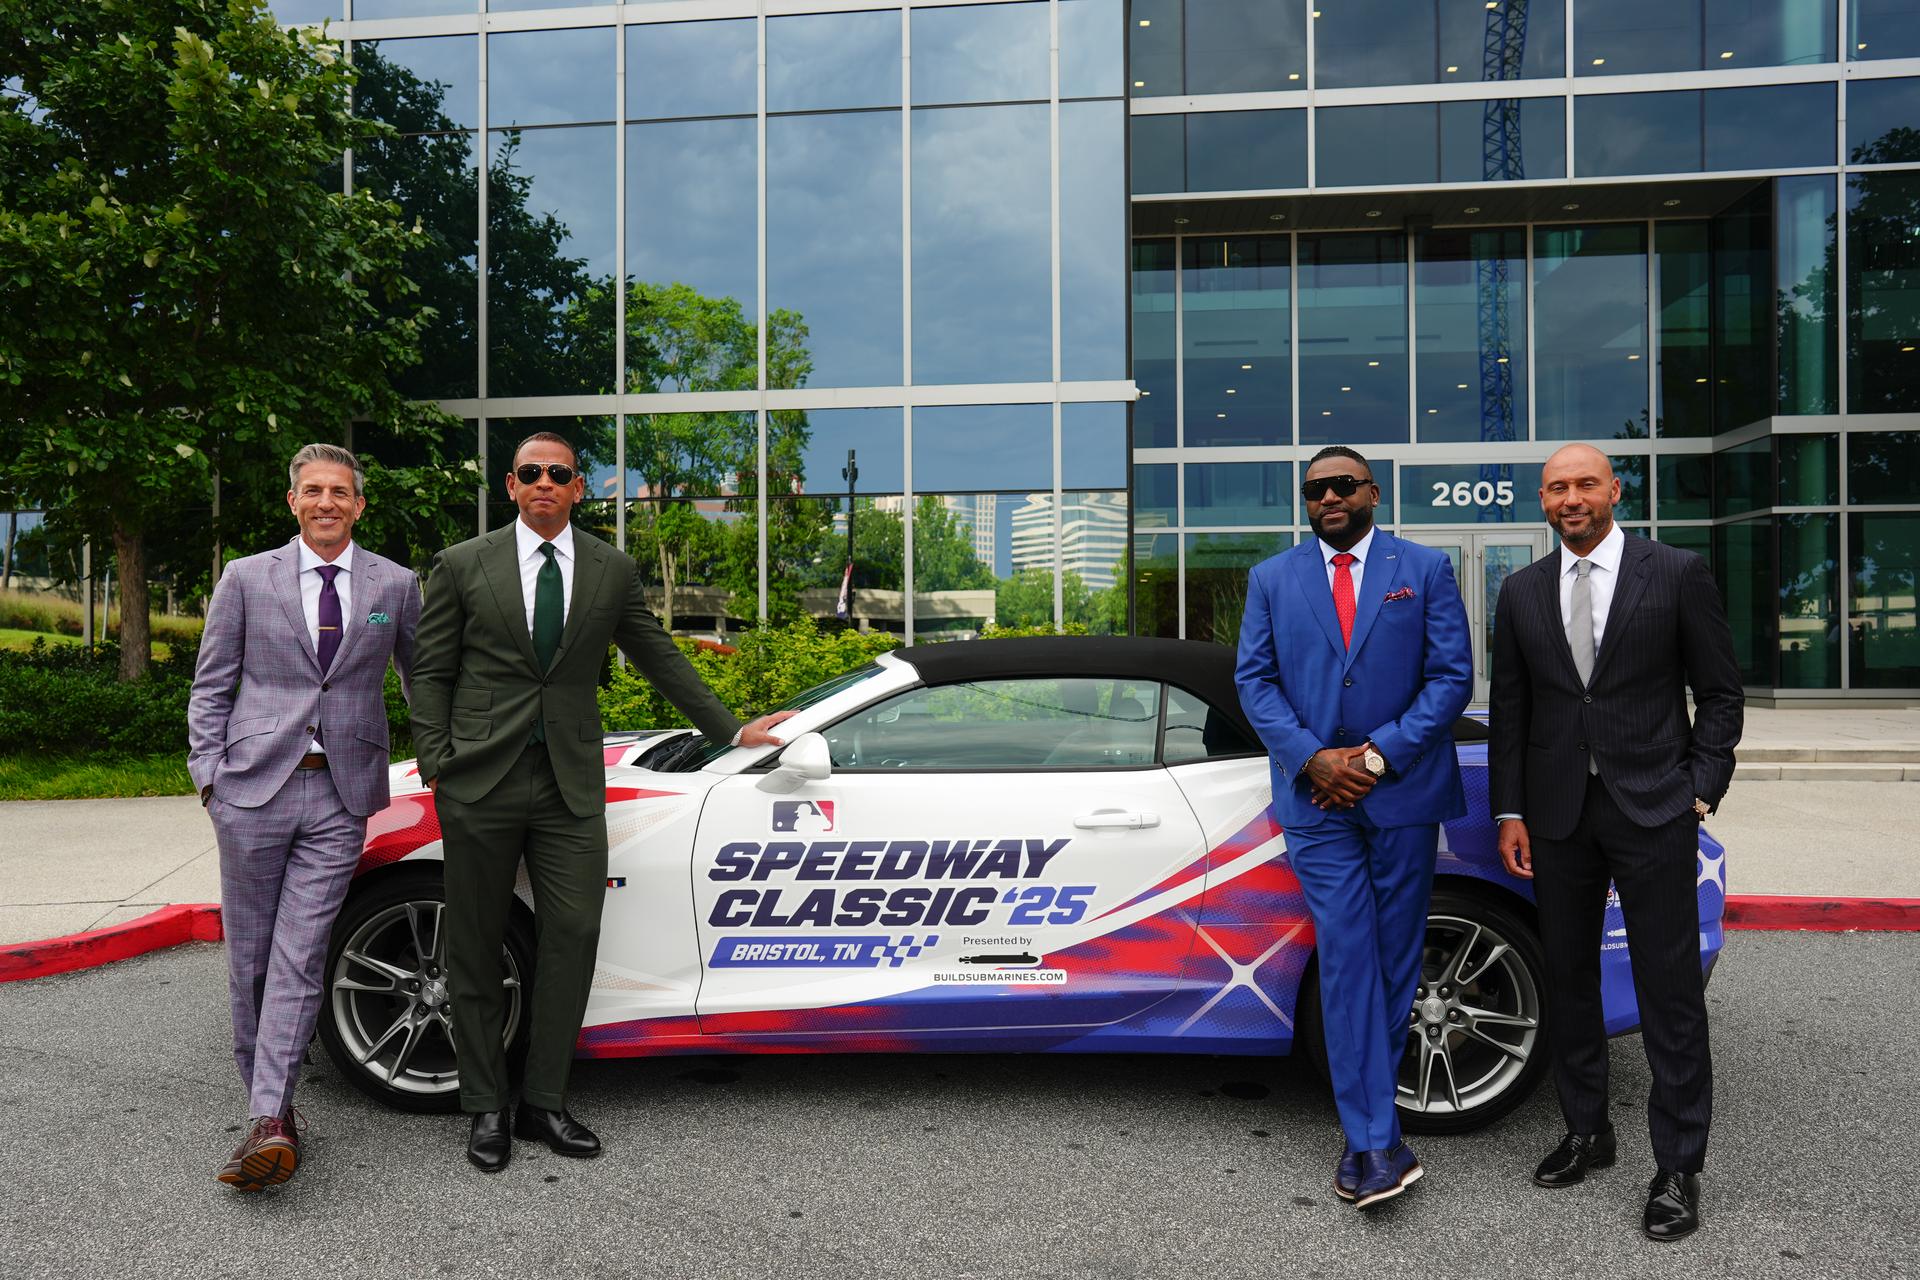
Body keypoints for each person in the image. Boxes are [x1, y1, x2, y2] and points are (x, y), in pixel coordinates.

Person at [411, 431, 793, 1173]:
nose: (545, 482)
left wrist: (730, 729)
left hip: (570, 785)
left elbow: (657, 653)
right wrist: (438, 763)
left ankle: (543, 1102)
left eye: (559, 473)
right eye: (531, 473)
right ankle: (486, 1104)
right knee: (475, 947)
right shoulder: (462, 565)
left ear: (579, 488)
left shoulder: (610, 569)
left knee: (574, 934)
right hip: (480, 785)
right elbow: (431, 671)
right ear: (511, 485)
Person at [1489, 443, 1742, 1243]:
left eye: (1585, 484)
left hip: (1653, 808)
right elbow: (1513, 712)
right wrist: (1510, 813)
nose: (1572, 498)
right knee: (1568, 980)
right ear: (1543, 500)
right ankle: (1587, 1131)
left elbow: (1722, 694)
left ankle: (1677, 1166)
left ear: (1614, 490)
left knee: (1669, 990)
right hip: (1558, 816)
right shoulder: (1522, 590)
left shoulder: (1674, 573)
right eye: (1557, 488)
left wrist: (1698, 787)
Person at [1235, 445, 1472, 1210]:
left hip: (1400, 794)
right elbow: (1255, 681)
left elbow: (1451, 677)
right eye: (1314, 490)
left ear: (1372, 491)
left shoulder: (1426, 569)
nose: (1328, 497)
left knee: (1397, 958)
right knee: (1345, 954)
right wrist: (1312, 759)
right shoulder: (1272, 579)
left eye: (1342, 485)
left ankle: (1374, 1131)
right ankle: (1373, 1138)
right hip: (1315, 803)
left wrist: (1376, 756)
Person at [188, 443, 420, 1191]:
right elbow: (211, 685)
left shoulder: (397, 584)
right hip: (252, 789)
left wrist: (452, 751)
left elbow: (422, 682)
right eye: (313, 491)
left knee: (302, 951)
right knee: (251, 957)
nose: (327, 502)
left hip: (341, 792)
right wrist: (209, 780)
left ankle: (270, 1117)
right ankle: (271, 1105)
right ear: (293, 502)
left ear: (360, 503)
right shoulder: (246, 578)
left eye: (341, 492)